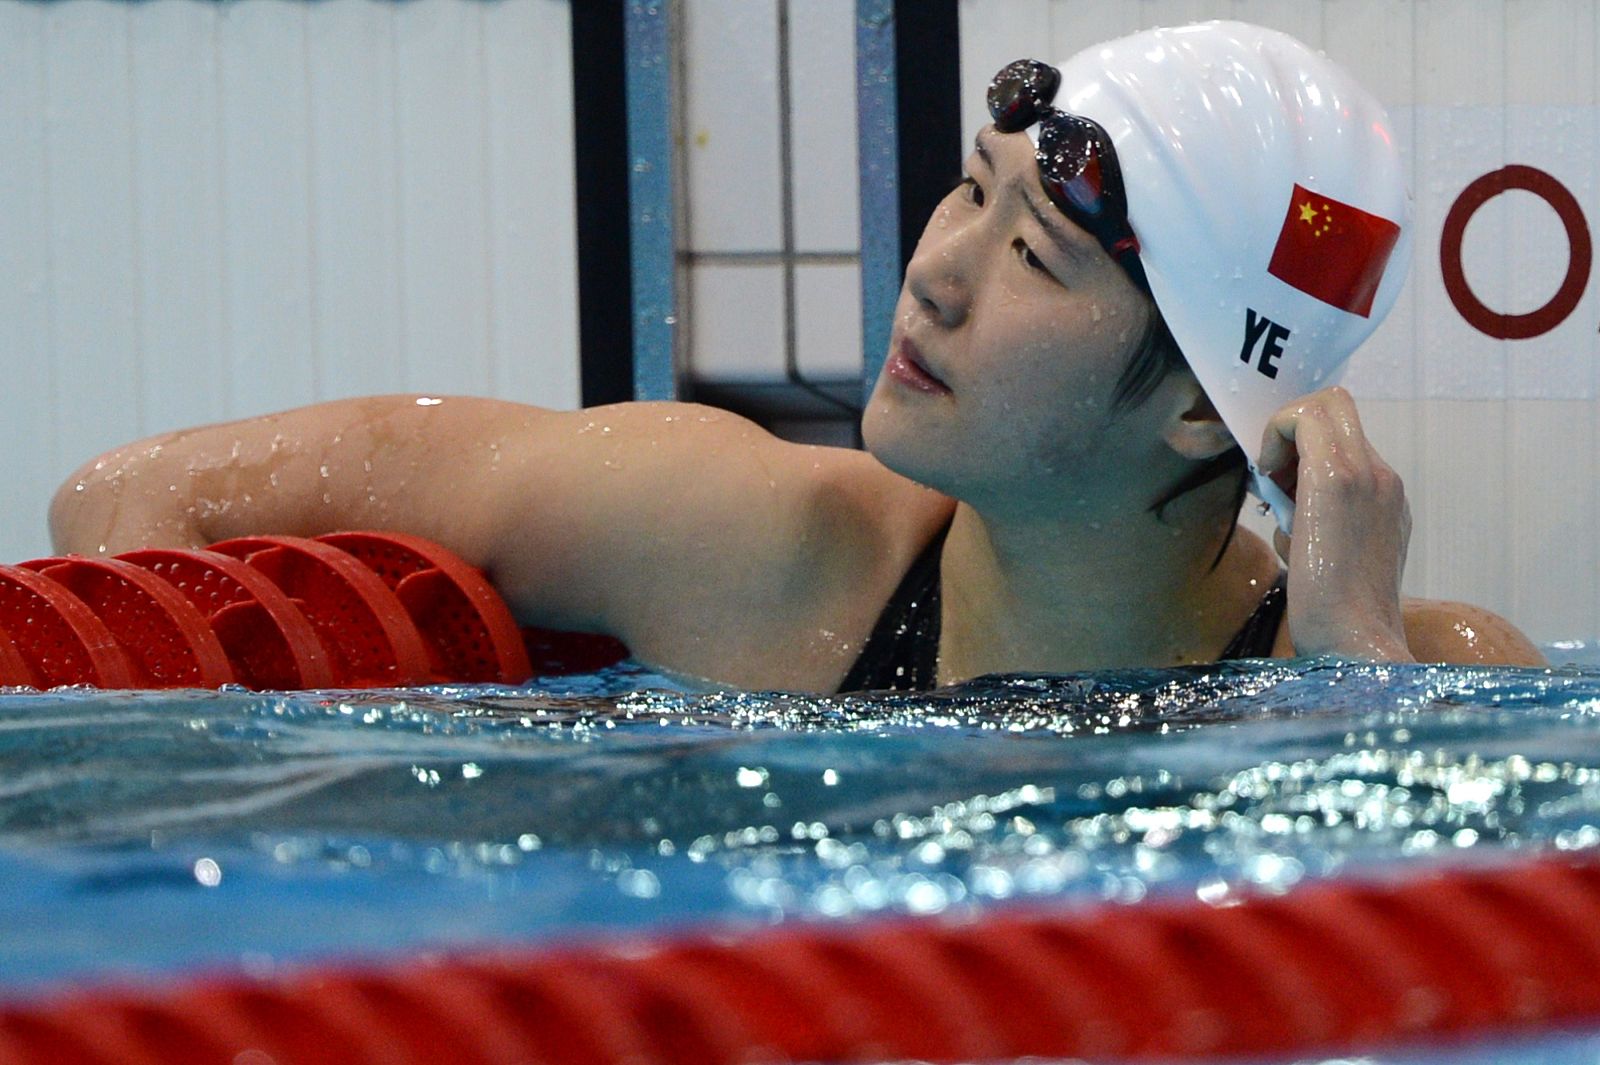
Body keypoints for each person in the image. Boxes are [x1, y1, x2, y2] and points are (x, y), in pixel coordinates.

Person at [48, 22, 1543, 692]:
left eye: (1032, 256)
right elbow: (127, 503)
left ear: (1200, 413)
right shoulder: (746, 547)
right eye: (968, 189)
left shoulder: (1441, 675)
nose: (936, 272)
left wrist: (1354, 682)